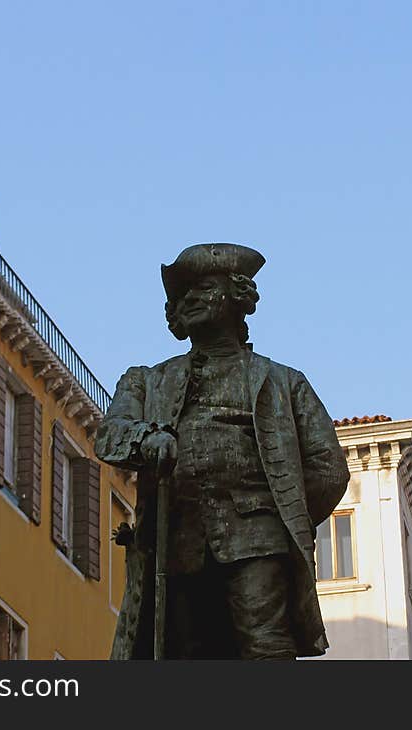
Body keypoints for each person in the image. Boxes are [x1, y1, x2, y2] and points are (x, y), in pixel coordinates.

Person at [95, 243, 348, 659]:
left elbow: (329, 469)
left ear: (238, 296)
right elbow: (111, 435)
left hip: (257, 540)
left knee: (265, 646)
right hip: (175, 537)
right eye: (182, 294)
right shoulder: (145, 380)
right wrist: (146, 438)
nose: (190, 299)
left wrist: (279, 518)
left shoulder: (283, 382)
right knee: (184, 653)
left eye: (203, 288)